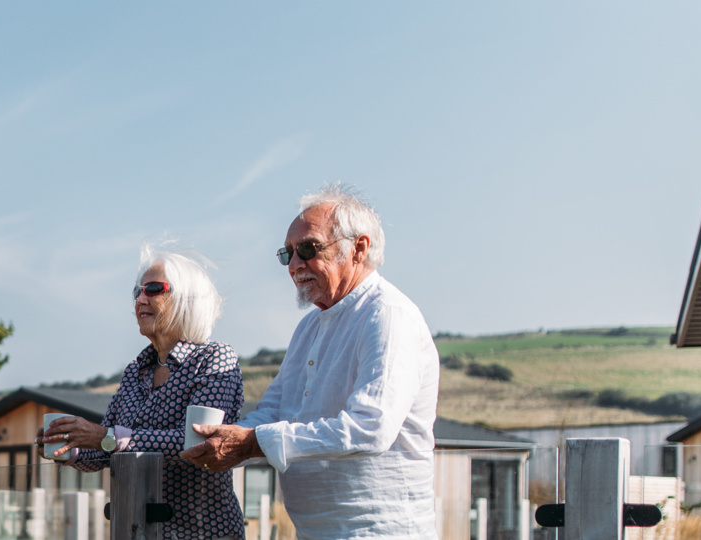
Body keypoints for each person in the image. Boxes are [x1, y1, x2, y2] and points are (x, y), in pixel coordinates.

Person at [181, 184, 440, 538]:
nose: (294, 265)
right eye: (287, 254)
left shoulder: (387, 315)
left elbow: (370, 428)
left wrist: (252, 442)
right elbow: (273, 411)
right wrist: (222, 441)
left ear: (359, 249)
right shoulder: (309, 327)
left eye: (308, 248)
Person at [38, 244, 244, 540]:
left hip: (200, 533)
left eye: (154, 289)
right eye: (138, 291)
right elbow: (107, 449)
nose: (140, 299)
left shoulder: (215, 358)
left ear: (188, 299)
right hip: (138, 531)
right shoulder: (136, 370)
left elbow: (197, 443)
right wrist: (68, 446)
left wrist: (106, 437)